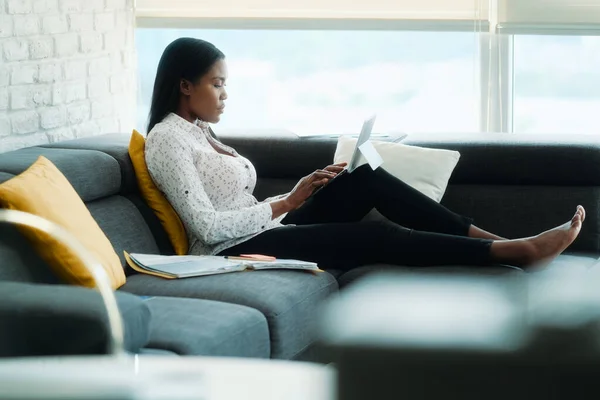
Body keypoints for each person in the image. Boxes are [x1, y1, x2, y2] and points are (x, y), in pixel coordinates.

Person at [144, 37, 585, 271]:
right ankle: (513, 253)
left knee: (365, 177)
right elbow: (206, 225)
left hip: (265, 228)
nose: (225, 95)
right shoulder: (167, 140)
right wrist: (288, 201)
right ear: (185, 85)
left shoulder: (199, 131)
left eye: (226, 85)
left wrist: (297, 197)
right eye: (217, 84)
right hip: (230, 251)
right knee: (376, 238)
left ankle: (497, 240)